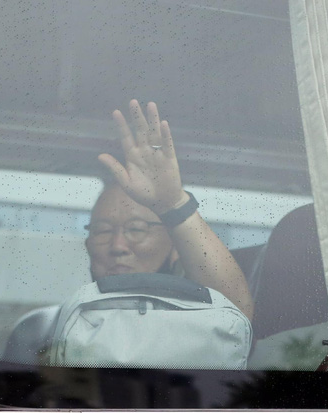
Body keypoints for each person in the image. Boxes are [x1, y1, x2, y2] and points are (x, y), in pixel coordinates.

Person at [86, 99, 253, 319]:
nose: (118, 246)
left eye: (136, 229)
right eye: (103, 230)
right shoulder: (66, 326)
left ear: (175, 246)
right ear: (87, 244)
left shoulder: (189, 327)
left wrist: (173, 205)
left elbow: (235, 318)